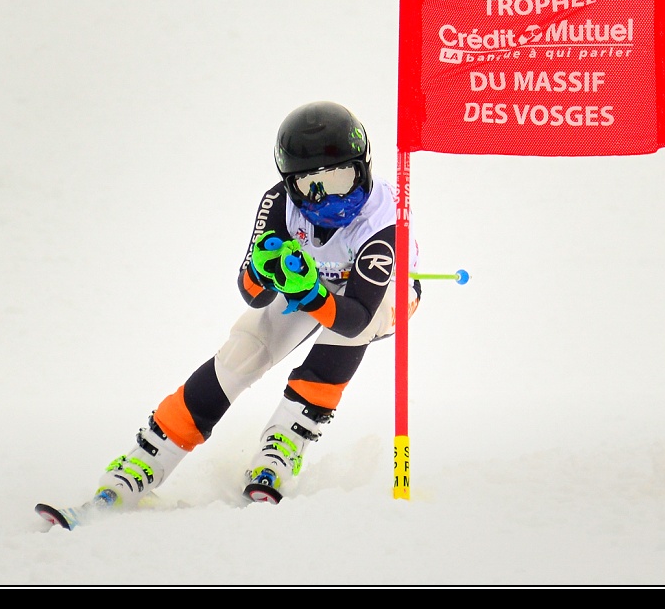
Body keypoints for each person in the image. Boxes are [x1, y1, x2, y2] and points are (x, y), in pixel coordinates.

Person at [94, 100, 420, 507]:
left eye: (341, 178)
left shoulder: (384, 221)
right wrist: (265, 272)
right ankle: (150, 455)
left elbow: (355, 318)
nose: (327, 200)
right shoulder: (279, 202)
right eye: (310, 186)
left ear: (365, 166)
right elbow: (253, 294)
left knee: (346, 333)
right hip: (316, 280)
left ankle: (287, 439)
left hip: (384, 295)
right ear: (289, 184)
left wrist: (309, 294)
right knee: (245, 348)